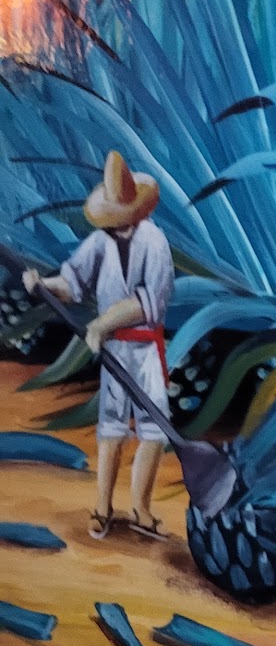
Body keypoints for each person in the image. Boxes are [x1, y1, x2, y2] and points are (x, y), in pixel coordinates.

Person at [22, 151, 174, 541]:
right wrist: (43, 285)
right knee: (111, 427)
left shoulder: (155, 242)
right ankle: (103, 508)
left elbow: (149, 303)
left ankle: (141, 509)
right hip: (113, 350)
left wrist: (103, 323)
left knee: (154, 429)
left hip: (145, 350)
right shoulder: (99, 242)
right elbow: (72, 283)